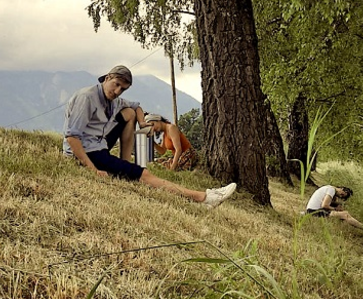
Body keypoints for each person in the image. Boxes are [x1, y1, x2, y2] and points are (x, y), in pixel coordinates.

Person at [63, 65, 236, 207]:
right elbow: (72, 137)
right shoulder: (87, 98)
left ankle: (124, 163)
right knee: (144, 174)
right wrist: (93, 169)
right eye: (115, 84)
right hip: (86, 151)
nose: (117, 91)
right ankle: (205, 198)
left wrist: (142, 123)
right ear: (107, 77)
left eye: (122, 89)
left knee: (129, 112)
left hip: (98, 144)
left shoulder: (113, 101)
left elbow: (136, 106)